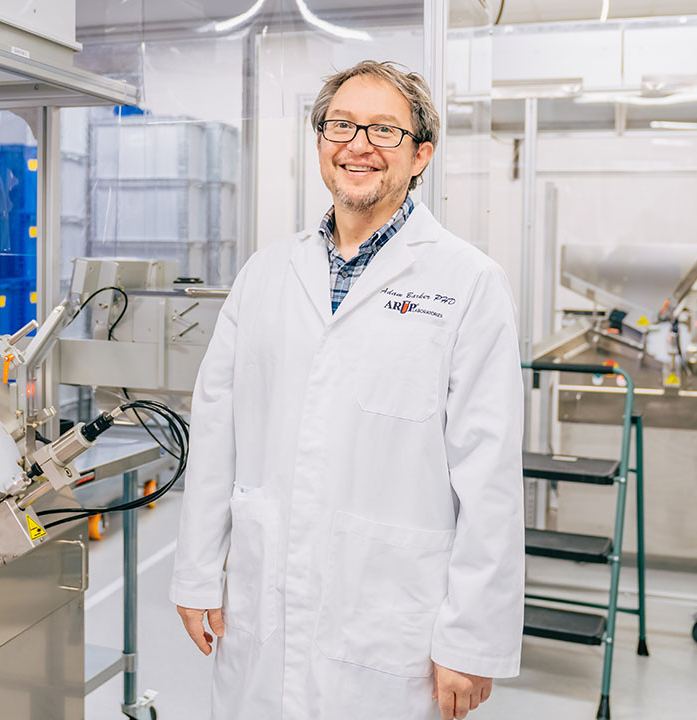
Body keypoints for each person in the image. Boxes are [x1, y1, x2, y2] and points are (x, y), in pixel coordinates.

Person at [169, 60, 525, 720]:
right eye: (341, 124)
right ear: (319, 142)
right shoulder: (266, 273)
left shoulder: (467, 283)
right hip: (265, 600)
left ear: (421, 154)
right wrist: (196, 571)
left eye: (384, 130)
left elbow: (490, 473)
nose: (357, 144)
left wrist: (473, 638)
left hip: (390, 616)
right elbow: (216, 428)